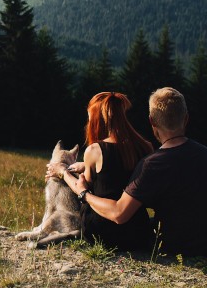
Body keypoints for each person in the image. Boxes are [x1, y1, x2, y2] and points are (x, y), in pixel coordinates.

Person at [64, 87, 207, 257]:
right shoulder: (204, 153)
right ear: (186, 119)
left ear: (152, 121)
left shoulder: (153, 163)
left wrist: (83, 193)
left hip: (176, 246)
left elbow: (119, 214)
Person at [47, 92, 154, 250]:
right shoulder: (145, 146)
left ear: (98, 119)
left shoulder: (95, 150)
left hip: (102, 232)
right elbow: (119, 167)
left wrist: (62, 171)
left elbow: (82, 188)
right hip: (137, 232)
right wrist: (85, 164)